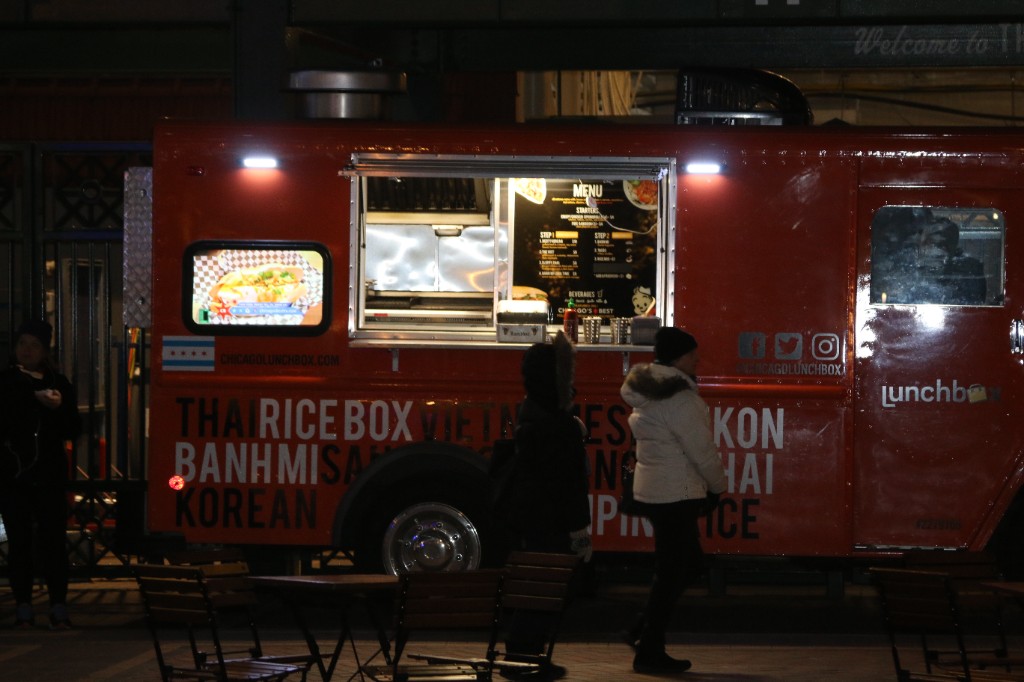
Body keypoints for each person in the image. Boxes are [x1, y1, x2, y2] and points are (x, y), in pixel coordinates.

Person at [619, 326, 727, 675]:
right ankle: (648, 648)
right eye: (693, 354)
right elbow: (702, 451)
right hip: (676, 493)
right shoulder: (680, 399)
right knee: (673, 571)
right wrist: (718, 485)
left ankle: (641, 630)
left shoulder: (647, 392)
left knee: (686, 564)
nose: (697, 360)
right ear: (680, 358)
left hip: (655, 489)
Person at [496, 330, 591, 680]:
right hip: (552, 520)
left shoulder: (534, 413)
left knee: (537, 583)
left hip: (532, 515)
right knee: (546, 585)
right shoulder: (559, 426)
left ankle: (524, 652)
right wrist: (580, 530)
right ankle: (524, 655)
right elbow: (569, 485)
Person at [0, 319, 81, 629]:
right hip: (14, 477)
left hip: (48, 476)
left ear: (45, 351)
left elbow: (73, 428)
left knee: (53, 543)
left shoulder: (59, 383)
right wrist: (28, 400)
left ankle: (58, 604)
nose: (27, 350)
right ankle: (23, 605)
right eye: (22, 344)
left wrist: (58, 408)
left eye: (33, 345)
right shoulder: (6, 381)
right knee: (18, 544)